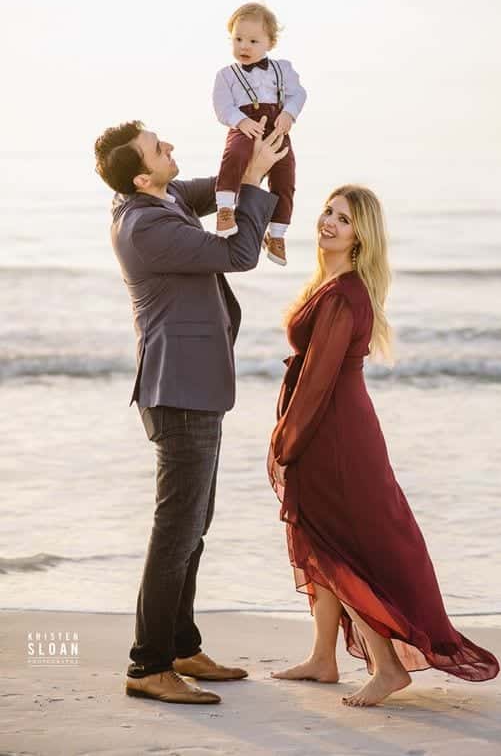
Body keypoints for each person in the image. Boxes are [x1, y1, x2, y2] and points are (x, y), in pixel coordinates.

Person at [267, 185, 500, 708]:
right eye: (328, 211)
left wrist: (286, 437)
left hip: (336, 435)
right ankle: (324, 658)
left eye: (343, 219)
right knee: (319, 535)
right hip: (334, 427)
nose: (328, 221)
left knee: (340, 544)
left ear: (360, 237)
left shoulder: (345, 293)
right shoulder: (331, 284)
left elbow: (319, 381)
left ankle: (389, 667)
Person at [94, 119, 286, 704]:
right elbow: (239, 253)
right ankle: (147, 665)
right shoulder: (147, 224)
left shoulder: (164, 195)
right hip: (178, 394)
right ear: (142, 174)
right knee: (176, 533)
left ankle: (180, 645)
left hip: (196, 389)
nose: (171, 146)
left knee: (193, 527)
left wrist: (252, 138)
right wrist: (253, 180)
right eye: (159, 147)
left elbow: (213, 187)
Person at [213, 2, 307, 266]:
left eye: (253, 41)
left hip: (276, 127)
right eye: (238, 39)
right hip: (244, 127)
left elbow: (298, 94)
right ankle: (225, 209)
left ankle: (277, 234)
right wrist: (240, 121)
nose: (244, 46)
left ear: (270, 43)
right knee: (235, 155)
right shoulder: (226, 75)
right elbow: (222, 107)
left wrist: (288, 113)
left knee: (285, 175)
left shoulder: (283, 69)